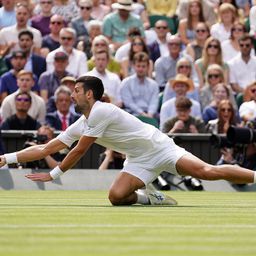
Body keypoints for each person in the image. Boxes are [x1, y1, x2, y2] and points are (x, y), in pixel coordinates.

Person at [0, 75, 255, 206]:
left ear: (90, 94)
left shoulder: (101, 110)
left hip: (160, 148)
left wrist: (54, 174)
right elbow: (47, 147)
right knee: (116, 197)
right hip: (138, 159)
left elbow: (79, 151)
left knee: (207, 172)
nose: (71, 94)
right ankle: (152, 198)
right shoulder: (83, 121)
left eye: (76, 91)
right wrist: (6, 159)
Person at [120, 52, 159, 118]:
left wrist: (150, 114)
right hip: (131, 114)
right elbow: (128, 102)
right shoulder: (126, 82)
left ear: (148, 67)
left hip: (150, 114)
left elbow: (154, 102)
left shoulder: (153, 84)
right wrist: (142, 113)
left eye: (143, 66)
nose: (141, 69)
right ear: (133, 66)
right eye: (138, 66)